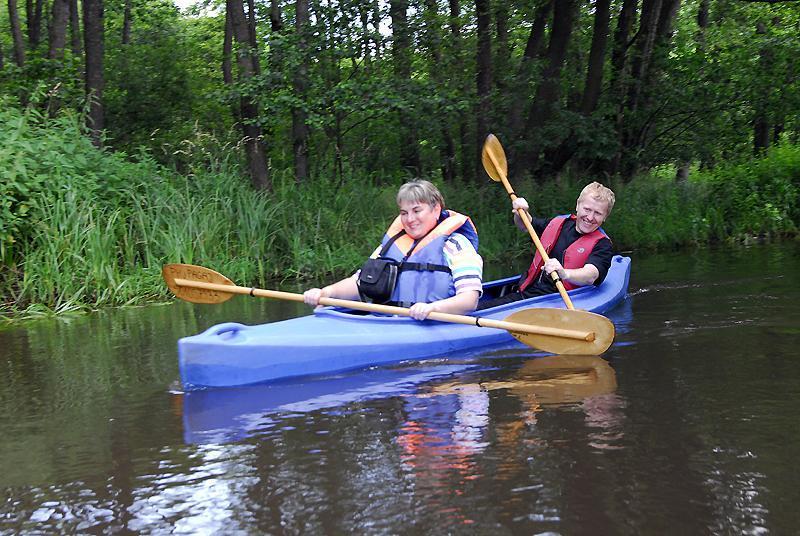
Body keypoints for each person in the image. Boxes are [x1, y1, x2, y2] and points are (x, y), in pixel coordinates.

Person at [303, 179, 483, 320]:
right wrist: (325, 293)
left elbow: (469, 300)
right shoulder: (391, 245)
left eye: (416, 210)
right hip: (386, 322)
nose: (409, 219)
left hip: (433, 321)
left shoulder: (456, 245)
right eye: (404, 213)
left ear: (436, 210)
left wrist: (432, 308)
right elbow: (359, 283)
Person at [478, 181, 615, 309]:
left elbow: (590, 275)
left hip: (551, 300)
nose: (590, 217)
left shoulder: (603, 244)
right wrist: (521, 212)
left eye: (597, 213)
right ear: (577, 206)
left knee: (479, 308)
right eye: (587, 209)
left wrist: (564, 273)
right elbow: (525, 225)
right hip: (526, 289)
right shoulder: (559, 223)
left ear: (605, 217)